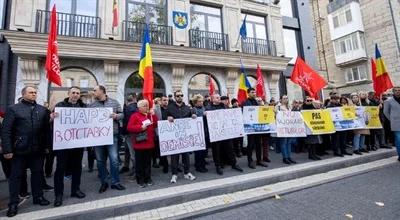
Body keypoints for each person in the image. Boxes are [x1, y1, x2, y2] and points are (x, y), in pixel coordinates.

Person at [1, 86, 51, 217]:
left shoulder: (42, 110)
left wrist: (46, 146)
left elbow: (46, 130)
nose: (34, 94)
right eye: (31, 92)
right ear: (23, 94)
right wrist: (7, 149)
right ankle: (13, 204)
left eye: (35, 92)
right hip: (19, 151)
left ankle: (38, 197)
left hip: (38, 150)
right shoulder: (13, 109)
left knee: (38, 174)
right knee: (16, 177)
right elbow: (6, 131)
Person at [51, 86, 86, 207]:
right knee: (60, 169)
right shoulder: (60, 106)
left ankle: (75, 190)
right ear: (68, 93)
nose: (76, 95)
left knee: (77, 167)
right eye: (73, 92)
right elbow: (51, 122)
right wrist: (51, 118)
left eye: (78, 93)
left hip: (78, 144)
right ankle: (58, 195)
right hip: (63, 144)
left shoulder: (83, 107)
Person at [90, 85, 125, 193]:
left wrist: (116, 116)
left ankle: (115, 182)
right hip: (98, 137)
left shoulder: (114, 102)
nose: (93, 92)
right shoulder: (91, 105)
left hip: (112, 136)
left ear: (102, 91)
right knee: (100, 161)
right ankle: (104, 182)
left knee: (114, 160)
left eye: (95, 90)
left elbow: (122, 114)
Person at [205, 94, 243, 175]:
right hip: (216, 134)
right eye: (217, 98)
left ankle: (234, 163)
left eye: (219, 98)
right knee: (216, 151)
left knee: (230, 148)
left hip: (226, 133)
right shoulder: (209, 108)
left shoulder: (224, 106)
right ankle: (218, 166)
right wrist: (205, 115)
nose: (219, 99)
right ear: (212, 99)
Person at [167, 90, 197, 183]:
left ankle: (187, 173)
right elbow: (165, 119)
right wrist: (168, 118)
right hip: (175, 137)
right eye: (178, 96)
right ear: (175, 97)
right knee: (174, 157)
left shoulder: (188, 108)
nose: (180, 97)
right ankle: (174, 174)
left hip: (185, 137)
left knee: (186, 156)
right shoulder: (170, 108)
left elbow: (191, 117)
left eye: (181, 95)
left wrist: (193, 116)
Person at [127, 99, 158, 187]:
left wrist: (153, 115)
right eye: (144, 106)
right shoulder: (134, 116)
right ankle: (140, 179)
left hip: (149, 143)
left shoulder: (149, 115)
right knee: (139, 163)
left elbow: (155, 124)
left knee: (148, 163)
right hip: (139, 144)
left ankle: (148, 178)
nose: (146, 107)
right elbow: (129, 127)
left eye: (147, 105)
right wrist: (140, 128)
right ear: (139, 107)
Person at [242, 88, 268, 168]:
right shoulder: (245, 102)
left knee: (258, 144)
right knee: (250, 145)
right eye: (252, 92)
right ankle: (250, 161)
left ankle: (259, 160)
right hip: (250, 127)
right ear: (248, 93)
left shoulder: (256, 102)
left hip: (257, 127)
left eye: (255, 92)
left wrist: (261, 105)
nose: (254, 93)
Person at [326, 92, 352, 157]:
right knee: (335, 139)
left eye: (337, 99)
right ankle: (336, 151)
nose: (336, 100)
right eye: (334, 99)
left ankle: (343, 150)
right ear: (331, 100)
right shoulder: (328, 107)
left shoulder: (341, 106)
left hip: (342, 125)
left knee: (343, 138)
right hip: (334, 125)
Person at [120, 93, 138, 176]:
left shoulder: (127, 108)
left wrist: (123, 132)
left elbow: (125, 122)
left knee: (131, 152)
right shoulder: (137, 108)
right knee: (129, 151)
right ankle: (128, 166)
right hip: (133, 133)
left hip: (128, 133)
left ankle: (135, 170)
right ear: (135, 99)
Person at [275, 95, 297, 164]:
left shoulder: (289, 107)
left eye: (287, 98)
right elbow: (275, 116)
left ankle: (289, 157)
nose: (286, 99)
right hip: (282, 127)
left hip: (289, 126)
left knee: (289, 142)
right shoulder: (278, 107)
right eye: (284, 98)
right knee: (283, 142)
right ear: (280, 100)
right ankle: (285, 157)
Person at [154, 95, 170, 173]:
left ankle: (175, 166)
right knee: (163, 150)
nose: (166, 101)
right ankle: (165, 165)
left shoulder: (171, 109)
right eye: (164, 100)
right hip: (161, 133)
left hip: (170, 132)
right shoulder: (157, 110)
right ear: (161, 101)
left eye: (167, 100)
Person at [383, 86, 400, 162]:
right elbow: (385, 112)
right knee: (399, 140)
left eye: (399, 90)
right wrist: (391, 119)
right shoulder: (388, 101)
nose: (397, 91)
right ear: (393, 92)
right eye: (396, 90)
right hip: (395, 123)